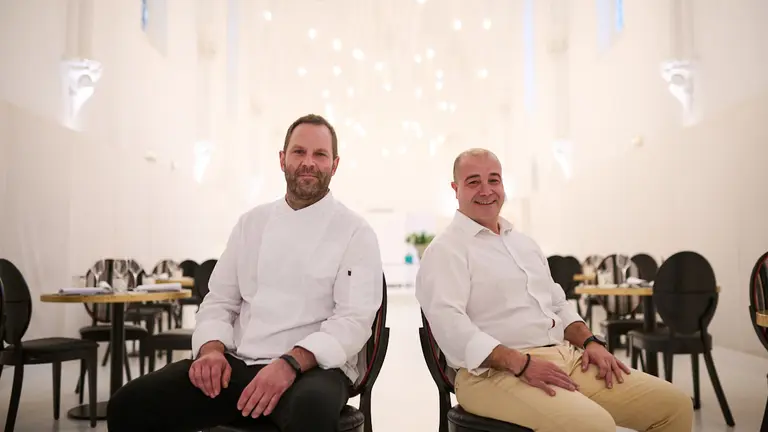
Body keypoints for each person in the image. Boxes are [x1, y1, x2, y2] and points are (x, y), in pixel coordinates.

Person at [107, 114, 384, 432]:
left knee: (311, 413)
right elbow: (219, 300)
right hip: (239, 363)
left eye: (319, 154)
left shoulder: (355, 232)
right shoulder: (250, 224)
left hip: (313, 368)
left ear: (334, 165)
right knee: (130, 405)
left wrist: (290, 363)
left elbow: (352, 320)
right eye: (298, 152)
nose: (308, 162)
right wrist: (211, 350)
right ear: (282, 160)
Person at [415, 148, 693, 432]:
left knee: (674, 407)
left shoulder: (524, 244)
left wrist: (590, 342)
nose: (486, 190)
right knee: (594, 426)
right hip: (490, 374)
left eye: (494, 180)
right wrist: (520, 363)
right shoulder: (446, 250)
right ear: (455, 189)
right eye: (473, 181)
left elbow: (558, 303)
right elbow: (451, 326)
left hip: (565, 358)